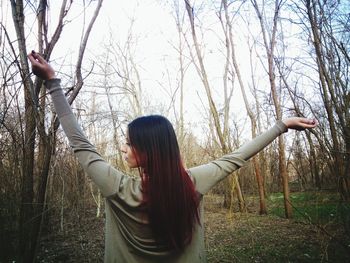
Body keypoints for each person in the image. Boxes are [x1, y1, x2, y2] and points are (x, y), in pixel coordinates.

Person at [28, 51, 317, 263]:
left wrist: (53, 82)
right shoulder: (193, 183)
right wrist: (281, 126)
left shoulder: (117, 188)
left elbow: (80, 143)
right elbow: (236, 157)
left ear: (148, 149)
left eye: (129, 143)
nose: (123, 148)